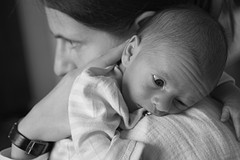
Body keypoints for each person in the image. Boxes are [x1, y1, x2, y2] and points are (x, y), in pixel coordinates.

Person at [0, 0, 240, 159]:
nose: (58, 65)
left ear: (140, 31)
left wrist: (28, 133)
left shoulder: (166, 134)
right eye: (158, 82)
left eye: (73, 42)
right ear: (131, 51)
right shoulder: (98, 93)